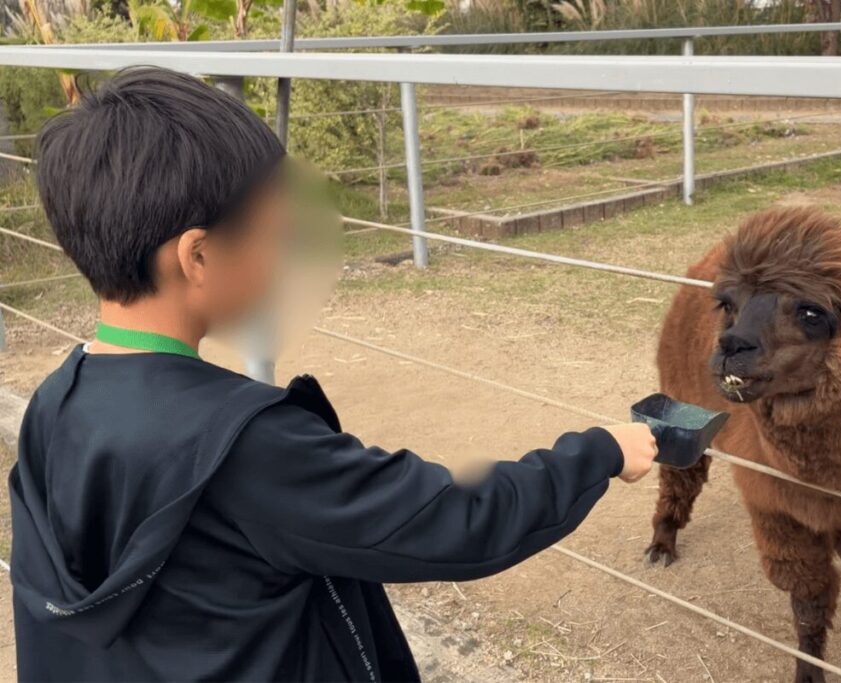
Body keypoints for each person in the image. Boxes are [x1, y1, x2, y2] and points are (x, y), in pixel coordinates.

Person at [9, 67, 658, 682]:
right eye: (274, 234)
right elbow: (457, 520)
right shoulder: (246, 446)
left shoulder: (55, 403)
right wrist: (599, 452)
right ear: (199, 255)